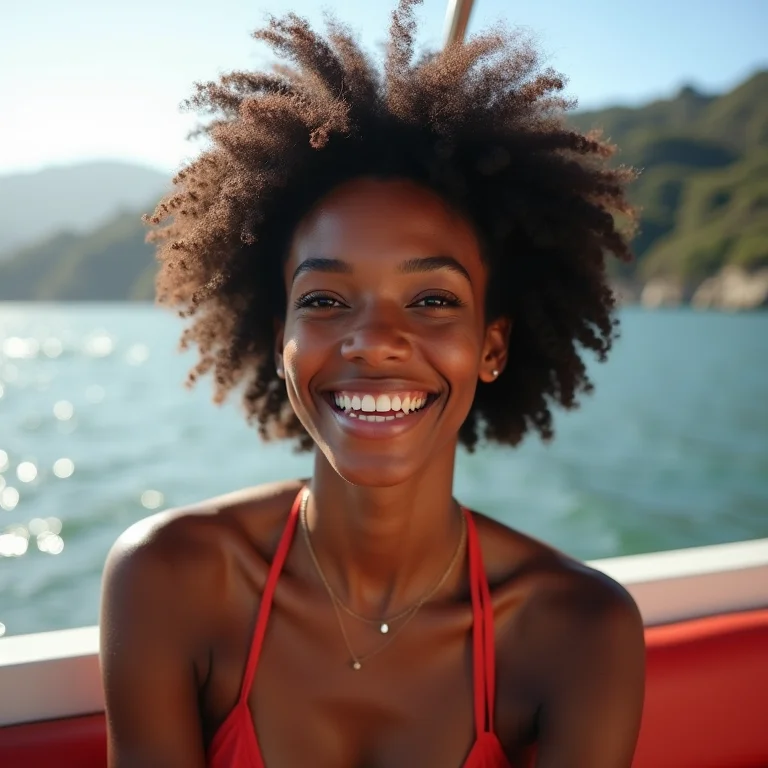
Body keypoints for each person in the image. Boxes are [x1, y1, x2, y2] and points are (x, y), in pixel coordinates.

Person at [99, 1, 645, 765]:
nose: (376, 342)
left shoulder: (581, 632)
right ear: (278, 340)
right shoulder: (170, 577)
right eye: (323, 300)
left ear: (492, 348)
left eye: (431, 300)